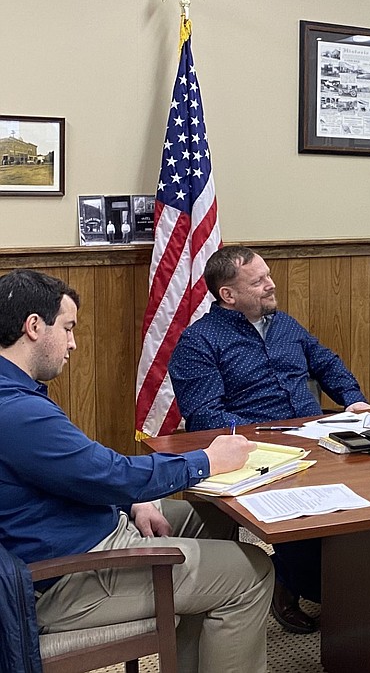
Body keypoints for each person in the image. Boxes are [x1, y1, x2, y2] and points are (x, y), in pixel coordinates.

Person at [0, 269, 273, 672]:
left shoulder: (15, 394)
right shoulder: (17, 411)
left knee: (206, 517)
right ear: (35, 326)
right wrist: (208, 461)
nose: (73, 344)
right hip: (63, 578)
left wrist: (133, 500)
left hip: (69, 530)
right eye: (69, 328)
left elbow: (81, 471)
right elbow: (109, 474)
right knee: (252, 570)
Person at [169, 245, 370, 634]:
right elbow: (205, 416)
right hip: (260, 451)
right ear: (228, 295)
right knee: (305, 522)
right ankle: (290, 581)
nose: (270, 284)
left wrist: (354, 400)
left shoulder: (285, 325)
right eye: (258, 280)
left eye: (268, 275)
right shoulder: (199, 342)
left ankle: (357, 586)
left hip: (315, 434)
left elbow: (325, 361)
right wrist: (269, 438)